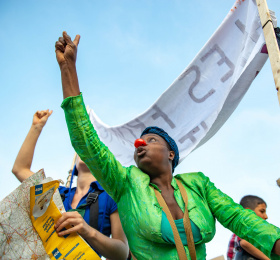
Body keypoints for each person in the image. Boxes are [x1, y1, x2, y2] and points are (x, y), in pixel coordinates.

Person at [55, 31, 280, 260]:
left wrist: (276, 243)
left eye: (152, 140)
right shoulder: (126, 184)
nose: (140, 143)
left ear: (171, 153)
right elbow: (86, 141)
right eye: (138, 144)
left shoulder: (198, 184)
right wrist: (68, 69)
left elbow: (238, 217)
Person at [12, 109, 129, 260]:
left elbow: (122, 253)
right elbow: (20, 169)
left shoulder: (112, 197)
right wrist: (36, 127)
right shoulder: (56, 193)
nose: (85, 151)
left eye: (92, 149)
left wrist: (88, 231)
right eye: (82, 149)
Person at [227, 195, 269, 260]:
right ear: (248, 212)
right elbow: (244, 243)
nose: (266, 216)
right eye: (262, 211)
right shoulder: (244, 229)